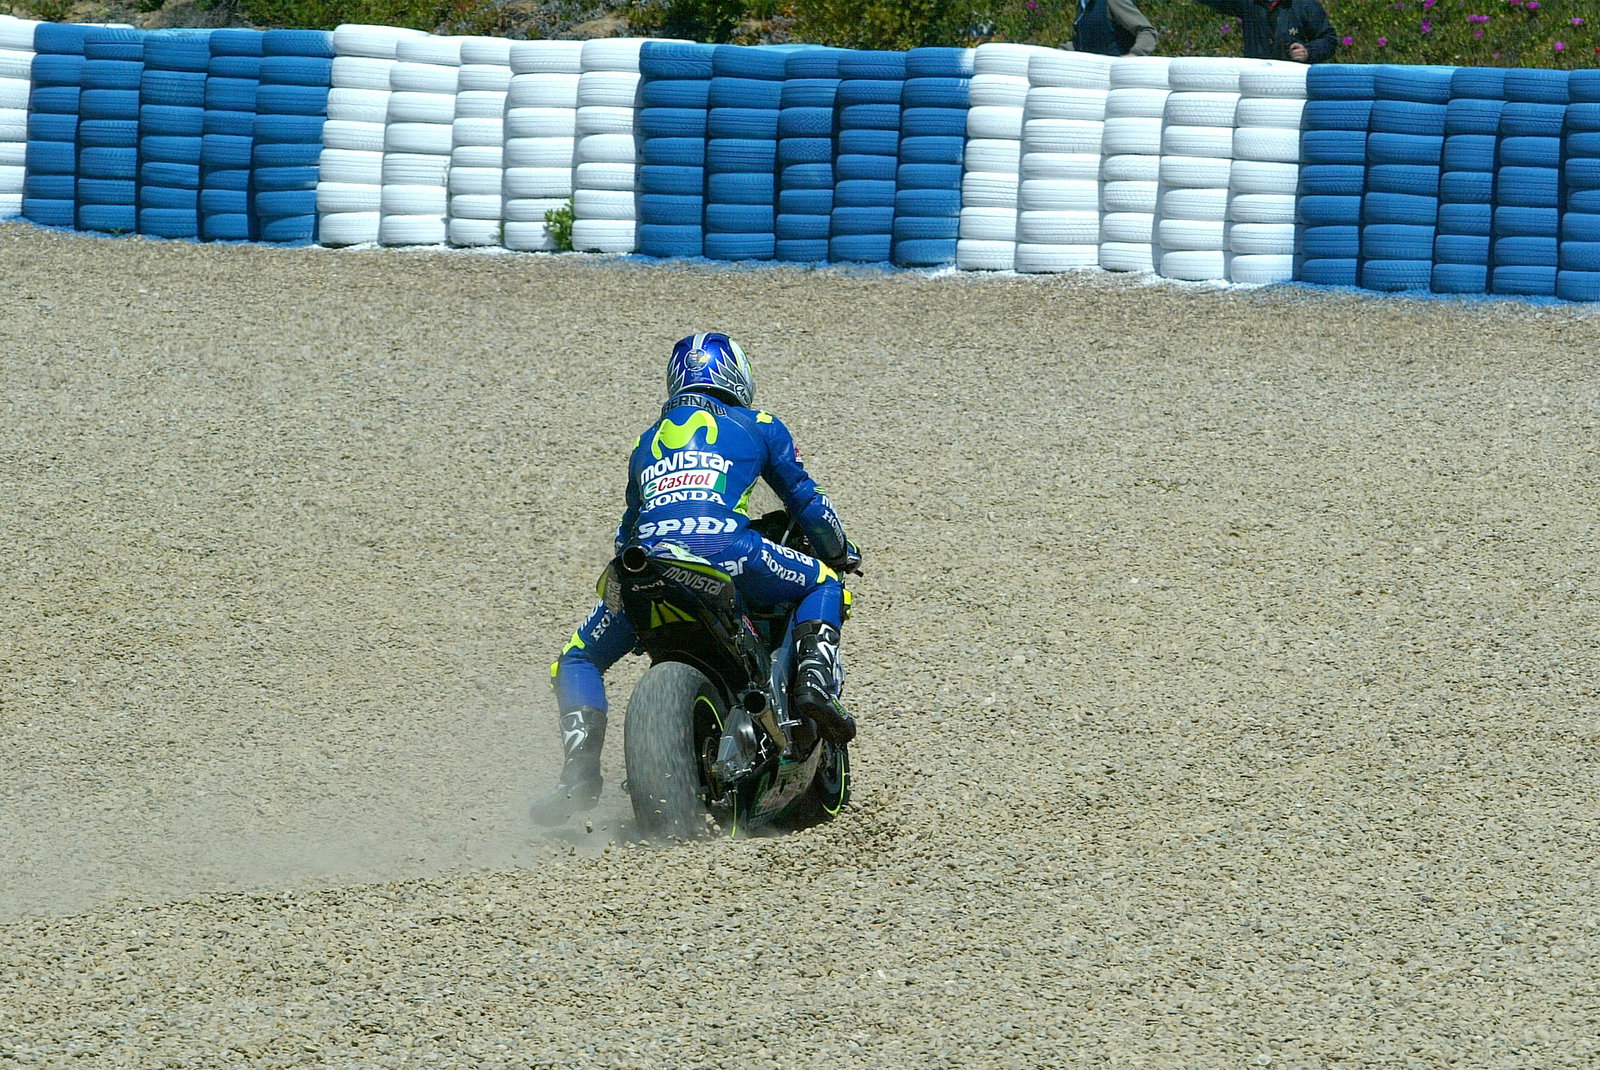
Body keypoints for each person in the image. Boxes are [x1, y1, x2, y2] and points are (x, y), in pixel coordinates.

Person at [531, 332, 861, 825]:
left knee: (576, 658)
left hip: (643, 564)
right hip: (726, 550)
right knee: (824, 584)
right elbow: (807, 502)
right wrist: (840, 550)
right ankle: (813, 684)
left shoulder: (646, 442)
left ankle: (577, 772)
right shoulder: (760, 424)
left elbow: (626, 532)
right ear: (736, 376)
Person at [1195, 0, 1337, 63]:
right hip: (1256, 80)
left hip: (1294, 81)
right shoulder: (1248, 3)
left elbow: (1329, 39)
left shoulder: (1305, 5)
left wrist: (1308, 52)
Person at [1072, 0, 1160, 57]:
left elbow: (1147, 31)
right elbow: (1080, 41)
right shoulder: (1083, 5)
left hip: (1117, 73)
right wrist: (1060, 52)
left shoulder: (1113, 2)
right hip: (1094, 75)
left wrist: (1134, 54)